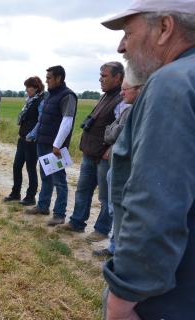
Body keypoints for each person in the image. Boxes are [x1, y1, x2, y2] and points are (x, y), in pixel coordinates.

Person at [101, 1, 195, 319]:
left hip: (167, 297)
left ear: (165, 28)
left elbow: (155, 203)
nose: (121, 45)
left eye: (128, 32)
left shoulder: (172, 83)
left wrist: (123, 296)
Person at [59, 62, 124, 241]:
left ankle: (102, 230)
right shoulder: (106, 96)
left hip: (104, 155)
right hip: (90, 152)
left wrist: (111, 149)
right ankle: (77, 222)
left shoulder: (122, 98)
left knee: (105, 197)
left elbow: (124, 128)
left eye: (104, 76)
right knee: (83, 189)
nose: (100, 79)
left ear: (118, 77)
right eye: (100, 75)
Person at [92, 69, 144, 258]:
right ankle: (115, 247)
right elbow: (110, 133)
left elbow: (116, 133)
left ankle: (120, 251)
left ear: (139, 89)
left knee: (122, 210)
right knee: (115, 208)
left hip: (127, 169)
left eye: (125, 89)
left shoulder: (139, 113)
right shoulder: (129, 110)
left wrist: (116, 130)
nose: (122, 93)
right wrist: (115, 130)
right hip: (117, 167)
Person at [24, 66, 78, 227]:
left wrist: (57, 144)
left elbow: (67, 121)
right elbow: (42, 119)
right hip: (43, 141)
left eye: (49, 78)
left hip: (54, 146)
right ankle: (43, 206)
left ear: (59, 78)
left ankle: (59, 214)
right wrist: (35, 135)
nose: (46, 80)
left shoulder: (68, 96)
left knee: (59, 179)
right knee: (45, 175)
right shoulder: (50, 95)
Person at [4, 76, 45, 206]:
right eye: (26, 87)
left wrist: (32, 135)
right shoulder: (29, 100)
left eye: (29, 87)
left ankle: (30, 196)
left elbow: (41, 121)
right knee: (17, 166)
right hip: (22, 138)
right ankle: (15, 193)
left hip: (32, 141)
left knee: (30, 168)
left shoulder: (41, 101)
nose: (26, 90)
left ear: (36, 88)